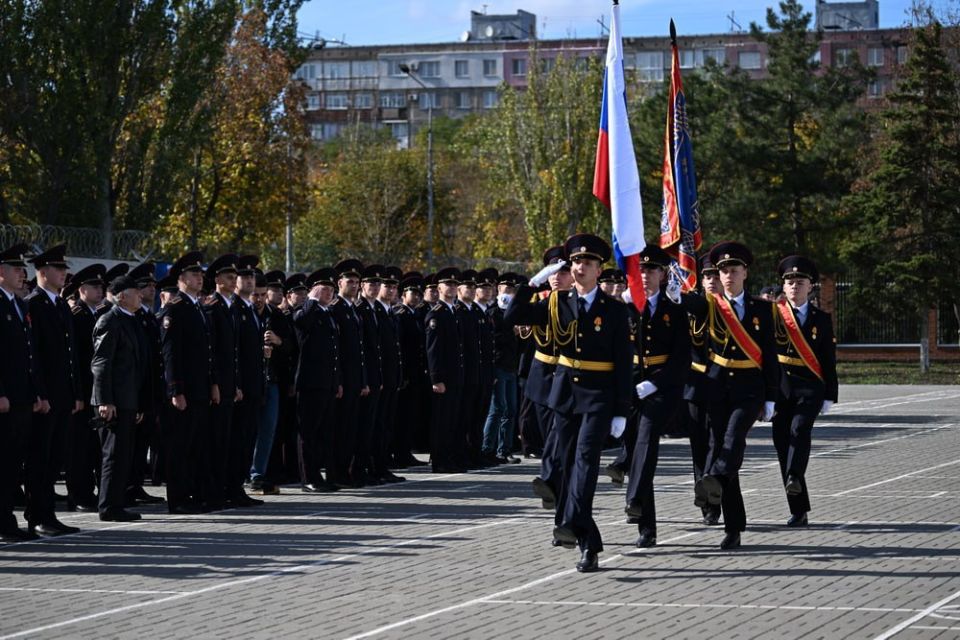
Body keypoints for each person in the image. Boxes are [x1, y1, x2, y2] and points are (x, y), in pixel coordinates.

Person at [506, 233, 633, 573]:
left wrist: (622, 409)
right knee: (564, 463)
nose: (580, 267)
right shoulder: (555, 302)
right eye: (575, 262)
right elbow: (510, 317)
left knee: (586, 464)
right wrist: (532, 284)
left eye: (587, 263)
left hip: (598, 398)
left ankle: (579, 534)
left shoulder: (615, 311)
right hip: (563, 396)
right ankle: (585, 536)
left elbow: (623, 363)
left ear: (599, 270)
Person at [690, 241, 779, 550]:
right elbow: (690, 309)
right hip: (716, 388)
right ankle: (734, 526)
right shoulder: (710, 304)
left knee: (732, 439)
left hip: (749, 389)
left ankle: (710, 478)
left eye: (733, 270)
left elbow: (770, 353)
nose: (727, 275)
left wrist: (771, 396)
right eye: (722, 271)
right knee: (721, 448)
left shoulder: (763, 310)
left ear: (745, 273)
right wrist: (674, 293)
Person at [623, 245, 690, 548]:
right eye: (640, 270)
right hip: (630, 386)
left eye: (651, 270)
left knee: (646, 439)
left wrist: (655, 383)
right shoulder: (623, 308)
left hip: (663, 388)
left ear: (663, 275)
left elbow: (681, 359)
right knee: (635, 450)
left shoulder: (674, 311)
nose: (645, 275)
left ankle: (634, 497)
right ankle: (646, 526)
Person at [772, 255, 838, 527]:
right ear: (783, 287)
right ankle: (798, 510)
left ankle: (795, 476)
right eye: (789, 282)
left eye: (800, 282)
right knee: (781, 443)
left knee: (799, 430)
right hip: (781, 390)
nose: (794, 286)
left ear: (810, 286)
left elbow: (827, 358)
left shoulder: (821, 319)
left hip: (809, 388)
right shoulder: (773, 315)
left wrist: (829, 394)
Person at [25, 244, 82, 536]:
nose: (64, 274)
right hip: (46, 397)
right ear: (43, 271)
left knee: (55, 458)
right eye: (59, 269)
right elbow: (34, 355)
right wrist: (40, 394)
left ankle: (49, 514)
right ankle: (38, 515)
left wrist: (74, 394)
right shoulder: (34, 303)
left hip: (62, 395)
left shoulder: (59, 304)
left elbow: (70, 355)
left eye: (64, 269)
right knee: (41, 458)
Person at [160, 251, 215, 514]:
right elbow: (171, 353)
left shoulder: (198, 308)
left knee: (196, 444)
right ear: (181, 278)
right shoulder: (175, 309)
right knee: (180, 446)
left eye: (201, 274)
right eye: (194, 274)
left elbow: (205, 352)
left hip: (200, 388)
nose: (200, 278)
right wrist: (175, 389)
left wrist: (212, 382)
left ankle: (193, 493)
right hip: (184, 390)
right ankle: (178, 498)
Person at [91, 275, 149, 522]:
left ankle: (116, 502)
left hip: (128, 400)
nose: (141, 295)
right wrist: (105, 400)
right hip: (113, 401)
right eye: (136, 291)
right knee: (113, 455)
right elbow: (101, 363)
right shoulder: (110, 320)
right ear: (122, 296)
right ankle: (108, 506)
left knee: (123, 455)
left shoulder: (131, 320)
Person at [0, 244, 46, 541]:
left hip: (22, 398)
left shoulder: (17, 305)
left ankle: (7, 520)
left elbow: (29, 355)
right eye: (16, 269)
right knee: (3, 463)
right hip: (6, 399)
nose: (22, 274)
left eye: (22, 269)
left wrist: (37, 393)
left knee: (13, 463)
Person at [682, 254, 723, 526]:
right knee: (698, 444)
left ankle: (712, 488)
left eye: (715, 276)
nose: (711, 281)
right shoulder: (691, 308)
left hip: (722, 386)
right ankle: (706, 501)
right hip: (694, 386)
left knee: (717, 442)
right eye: (707, 276)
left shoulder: (731, 309)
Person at [293, 268, 342, 493]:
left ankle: (322, 476)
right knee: (308, 433)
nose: (330, 292)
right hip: (311, 382)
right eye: (325, 289)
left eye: (332, 289)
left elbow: (334, 351)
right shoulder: (306, 310)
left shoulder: (328, 314)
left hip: (327, 382)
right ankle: (308, 478)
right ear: (314, 290)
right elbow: (301, 322)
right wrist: (311, 299)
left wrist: (337, 381)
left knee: (324, 432)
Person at [65, 263, 108, 512]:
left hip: (96, 391)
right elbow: (76, 360)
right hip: (83, 390)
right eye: (94, 286)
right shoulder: (77, 316)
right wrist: (78, 393)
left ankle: (89, 492)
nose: (99, 290)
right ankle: (77, 494)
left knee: (94, 447)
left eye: (101, 286)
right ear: (82, 289)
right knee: (78, 448)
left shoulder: (97, 314)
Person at [328, 260, 368, 487]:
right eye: (349, 281)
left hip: (355, 380)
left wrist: (362, 380)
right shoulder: (336, 309)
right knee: (340, 430)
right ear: (339, 283)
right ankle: (336, 473)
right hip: (342, 380)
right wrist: (340, 381)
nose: (353, 285)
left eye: (356, 282)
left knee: (350, 429)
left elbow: (359, 350)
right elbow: (338, 352)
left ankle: (346, 471)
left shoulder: (353, 309)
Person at [425, 267, 465, 473]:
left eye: (454, 284)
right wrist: (436, 378)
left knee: (452, 420)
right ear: (439, 288)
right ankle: (439, 460)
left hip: (455, 375)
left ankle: (448, 457)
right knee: (441, 421)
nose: (452, 288)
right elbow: (433, 349)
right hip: (444, 377)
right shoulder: (437, 314)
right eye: (448, 284)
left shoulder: (453, 312)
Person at [481, 272, 521, 464]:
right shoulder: (493, 312)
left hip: (511, 366)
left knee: (511, 409)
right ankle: (487, 448)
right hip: (497, 365)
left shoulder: (514, 311)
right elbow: (492, 340)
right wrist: (510, 330)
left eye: (512, 289)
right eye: (505, 288)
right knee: (497, 408)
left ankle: (504, 449)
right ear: (498, 289)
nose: (508, 292)